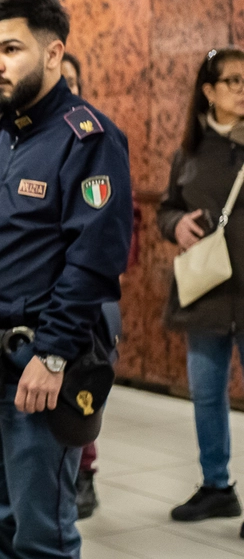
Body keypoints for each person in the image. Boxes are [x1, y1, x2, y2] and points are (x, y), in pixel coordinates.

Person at [0, 0, 133, 559]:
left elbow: (94, 260)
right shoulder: (7, 136)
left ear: (54, 52)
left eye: (11, 48)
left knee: (43, 534)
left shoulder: (88, 139)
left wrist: (55, 355)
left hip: (42, 363)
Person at [159, 47, 244, 530]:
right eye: (233, 81)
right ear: (208, 92)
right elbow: (167, 208)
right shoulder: (187, 153)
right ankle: (217, 487)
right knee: (208, 394)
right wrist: (176, 226)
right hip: (206, 290)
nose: (242, 89)